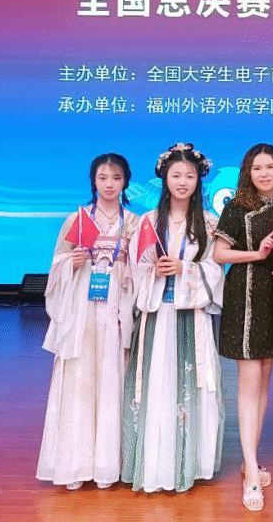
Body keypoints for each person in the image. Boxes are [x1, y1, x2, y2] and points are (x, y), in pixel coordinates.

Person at [121, 143, 225, 492]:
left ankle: (189, 462)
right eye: (176, 175)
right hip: (156, 315)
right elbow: (135, 268)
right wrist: (153, 271)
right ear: (165, 179)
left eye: (189, 176)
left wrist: (186, 268)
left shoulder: (210, 223)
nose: (182, 182)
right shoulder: (148, 222)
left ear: (198, 180)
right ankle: (153, 463)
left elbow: (216, 270)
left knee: (190, 386)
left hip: (190, 317)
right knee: (155, 385)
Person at [37, 153, 139, 490]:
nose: (109, 185)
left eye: (116, 178)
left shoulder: (134, 223)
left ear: (126, 182)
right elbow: (56, 266)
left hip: (116, 309)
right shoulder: (77, 219)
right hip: (82, 311)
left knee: (114, 378)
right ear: (93, 181)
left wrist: (127, 266)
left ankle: (109, 464)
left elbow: (144, 268)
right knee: (80, 380)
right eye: (102, 178)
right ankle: (75, 464)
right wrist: (73, 262)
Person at [213, 143, 273, 511]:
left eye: (270, 167)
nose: (264, 174)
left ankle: (252, 457)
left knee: (263, 383)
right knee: (248, 385)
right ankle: (250, 469)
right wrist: (258, 253)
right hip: (246, 296)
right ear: (247, 173)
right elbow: (219, 254)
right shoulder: (237, 207)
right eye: (257, 168)